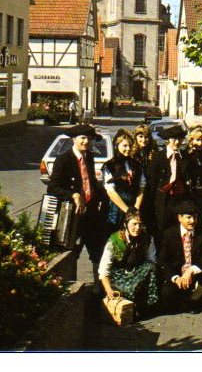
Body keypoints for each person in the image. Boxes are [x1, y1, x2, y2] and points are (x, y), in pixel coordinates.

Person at [47, 123, 110, 291]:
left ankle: (100, 289)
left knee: (98, 249)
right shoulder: (63, 159)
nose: (86, 142)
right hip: (72, 215)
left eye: (89, 139)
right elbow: (52, 188)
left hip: (90, 212)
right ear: (74, 139)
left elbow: (89, 181)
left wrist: (104, 194)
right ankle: (70, 288)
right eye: (83, 138)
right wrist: (73, 195)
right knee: (70, 252)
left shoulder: (88, 157)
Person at [157, 200, 202, 313]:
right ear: (179, 218)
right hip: (179, 275)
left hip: (197, 273)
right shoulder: (169, 234)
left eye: (195, 217)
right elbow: (163, 261)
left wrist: (191, 271)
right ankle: (187, 299)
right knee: (167, 297)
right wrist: (176, 278)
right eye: (189, 217)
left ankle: (194, 299)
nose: (192, 221)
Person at [98, 208, 160, 313]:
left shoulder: (147, 239)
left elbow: (152, 260)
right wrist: (108, 289)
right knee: (124, 289)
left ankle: (146, 304)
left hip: (137, 274)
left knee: (151, 267)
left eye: (140, 224)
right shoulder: (114, 240)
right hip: (118, 276)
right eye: (134, 224)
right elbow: (104, 269)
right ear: (125, 224)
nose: (137, 228)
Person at [147, 124, 191, 249]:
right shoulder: (158, 157)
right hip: (162, 202)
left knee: (177, 233)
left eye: (180, 139)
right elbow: (152, 182)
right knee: (161, 233)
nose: (177, 142)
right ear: (168, 140)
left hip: (179, 201)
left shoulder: (185, 158)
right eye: (173, 139)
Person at [103, 129, 146, 233]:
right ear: (117, 146)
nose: (128, 149)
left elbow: (142, 186)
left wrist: (136, 207)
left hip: (134, 208)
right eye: (125, 146)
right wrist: (127, 210)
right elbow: (110, 191)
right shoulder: (109, 165)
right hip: (117, 210)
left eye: (130, 146)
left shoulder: (136, 164)